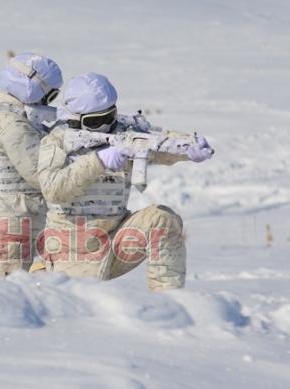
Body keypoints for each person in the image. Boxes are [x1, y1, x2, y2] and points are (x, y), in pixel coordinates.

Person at [36, 72, 213, 291]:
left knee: (162, 218)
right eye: (95, 121)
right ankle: (41, 275)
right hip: (74, 247)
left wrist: (187, 149)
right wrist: (98, 160)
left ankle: (170, 301)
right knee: (88, 306)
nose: (105, 126)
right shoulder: (57, 140)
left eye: (110, 117)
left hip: (119, 237)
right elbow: (54, 190)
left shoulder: (123, 132)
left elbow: (157, 143)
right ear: (75, 118)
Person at [0, 53, 63, 274]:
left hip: (8, 222)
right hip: (8, 229)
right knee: (8, 299)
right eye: (51, 95)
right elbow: (41, 176)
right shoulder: (14, 125)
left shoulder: (5, 114)